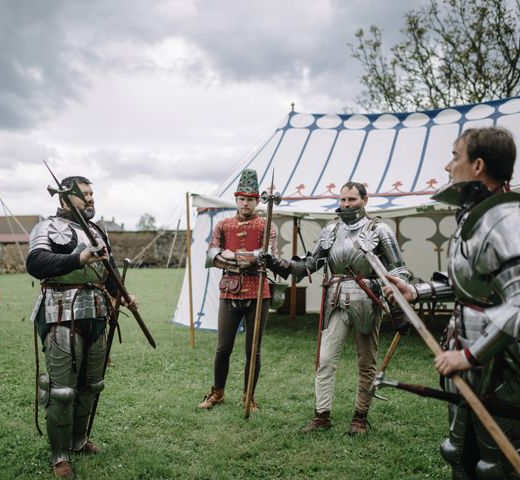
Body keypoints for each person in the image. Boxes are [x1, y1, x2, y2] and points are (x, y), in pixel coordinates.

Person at [385, 127, 520, 479]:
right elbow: (470, 287)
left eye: (455, 156)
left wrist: (470, 355)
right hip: (465, 355)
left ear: (478, 165)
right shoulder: (477, 217)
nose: (447, 166)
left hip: (499, 365)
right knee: (458, 453)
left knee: (497, 466)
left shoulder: (506, 222)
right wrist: (416, 292)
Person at [265, 181, 410, 434]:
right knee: (325, 359)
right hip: (334, 299)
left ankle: (359, 418)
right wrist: (278, 264)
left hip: (368, 299)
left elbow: (399, 269)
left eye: (351, 199)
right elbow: (309, 264)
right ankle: (322, 416)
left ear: (365, 200)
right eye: (342, 199)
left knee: (366, 363)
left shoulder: (380, 229)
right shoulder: (330, 229)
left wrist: (398, 292)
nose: (345, 204)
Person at [26, 175, 134, 478]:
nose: (91, 199)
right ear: (64, 198)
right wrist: (77, 258)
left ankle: (78, 439)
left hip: (98, 312)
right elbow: (36, 263)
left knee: (91, 385)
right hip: (60, 311)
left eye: (91, 193)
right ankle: (60, 454)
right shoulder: (46, 228)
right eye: (84, 194)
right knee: (62, 391)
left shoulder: (98, 231)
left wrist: (122, 294)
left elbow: (107, 270)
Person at [198, 169, 277, 411]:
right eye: (242, 199)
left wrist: (234, 255)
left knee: (253, 350)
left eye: (250, 199)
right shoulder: (223, 225)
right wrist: (245, 258)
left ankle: (248, 396)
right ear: (236, 200)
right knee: (223, 347)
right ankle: (218, 392)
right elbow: (212, 257)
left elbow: (268, 257)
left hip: (258, 292)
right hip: (229, 290)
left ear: (257, 201)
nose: (246, 203)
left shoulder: (267, 226)